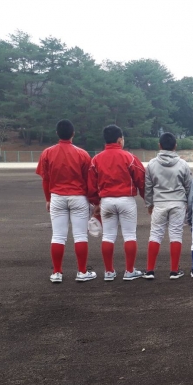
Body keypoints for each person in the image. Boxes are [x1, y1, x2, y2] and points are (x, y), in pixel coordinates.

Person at [36, 119, 96, 283]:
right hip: (78, 197)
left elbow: (45, 180)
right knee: (80, 235)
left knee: (58, 236)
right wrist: (92, 200)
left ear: (57, 133)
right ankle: (82, 272)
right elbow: (89, 181)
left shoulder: (47, 153)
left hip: (57, 197)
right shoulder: (82, 154)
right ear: (73, 134)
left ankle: (57, 273)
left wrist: (48, 199)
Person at [88, 125, 145, 281]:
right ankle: (129, 271)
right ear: (120, 140)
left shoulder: (96, 159)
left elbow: (91, 185)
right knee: (130, 235)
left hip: (106, 201)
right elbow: (141, 179)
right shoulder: (129, 157)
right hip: (126, 200)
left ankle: (109, 272)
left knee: (108, 236)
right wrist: (147, 199)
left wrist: (96, 203)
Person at [144, 132, 193, 280]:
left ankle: (150, 270)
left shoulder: (151, 164)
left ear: (159, 146)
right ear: (175, 146)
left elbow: (148, 187)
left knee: (155, 235)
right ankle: (174, 271)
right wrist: (188, 204)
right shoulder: (183, 164)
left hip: (159, 203)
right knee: (176, 235)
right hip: (178, 203)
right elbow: (189, 187)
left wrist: (149, 204)